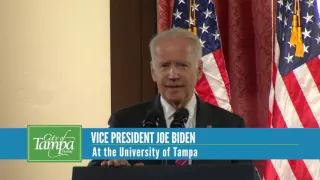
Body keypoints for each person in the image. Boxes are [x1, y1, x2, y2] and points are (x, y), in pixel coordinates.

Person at [88, 27, 256, 174]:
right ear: (153, 71)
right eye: (164, 66)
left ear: (198, 70)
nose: (173, 75)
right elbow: (94, 173)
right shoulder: (124, 123)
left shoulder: (230, 127)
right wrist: (114, 172)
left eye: (182, 65)